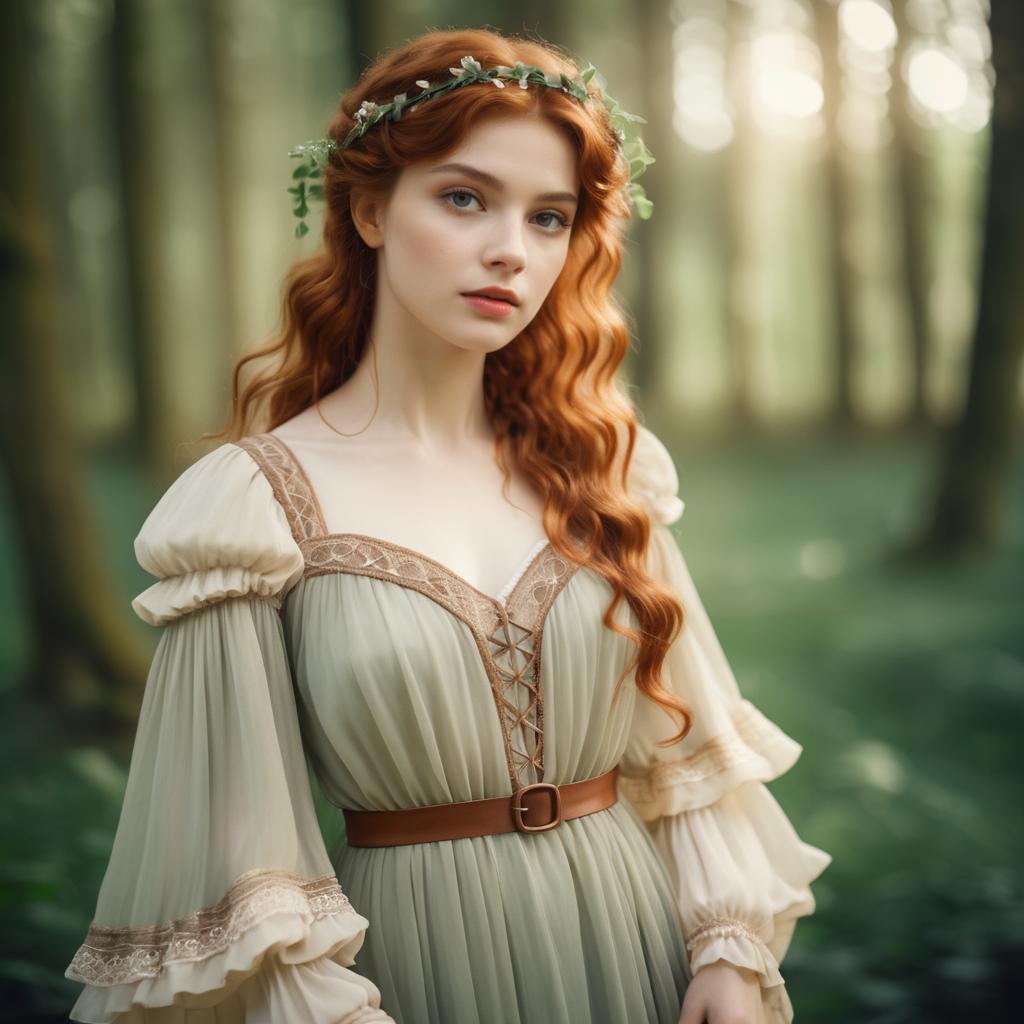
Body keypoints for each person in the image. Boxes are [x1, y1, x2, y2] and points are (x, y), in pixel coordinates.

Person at [64, 26, 831, 1024]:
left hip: (636, 952)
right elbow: (234, 857)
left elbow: (683, 759)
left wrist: (725, 954)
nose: (510, 250)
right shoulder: (248, 508)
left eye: (549, 217)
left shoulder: (601, 468)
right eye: (464, 197)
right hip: (408, 975)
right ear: (371, 207)